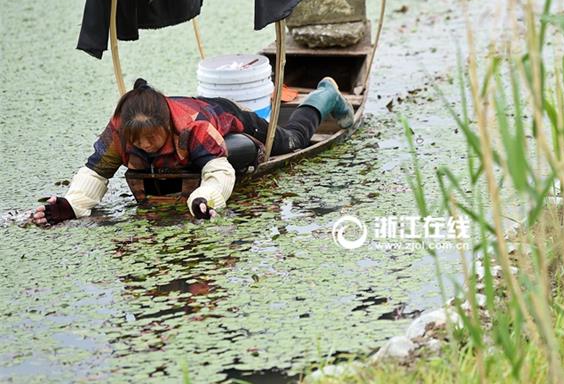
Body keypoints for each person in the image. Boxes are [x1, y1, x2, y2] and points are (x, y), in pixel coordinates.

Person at [31, 77, 353, 225]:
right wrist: (73, 204)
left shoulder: (193, 128)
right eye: (138, 141)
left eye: (152, 139)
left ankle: (326, 95)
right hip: (191, 118)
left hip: (228, 118)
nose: (144, 146)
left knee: (291, 138)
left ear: (167, 127)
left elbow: (219, 172)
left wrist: (205, 198)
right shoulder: (121, 129)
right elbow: (95, 172)